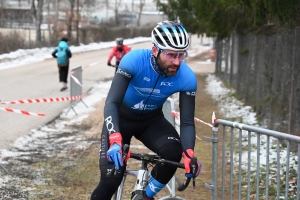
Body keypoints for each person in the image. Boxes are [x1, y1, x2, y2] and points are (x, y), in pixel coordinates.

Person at [91, 21, 202, 200]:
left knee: (173, 153)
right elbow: (111, 102)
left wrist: (189, 153)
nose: (177, 61)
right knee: (111, 180)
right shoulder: (133, 61)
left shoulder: (187, 78)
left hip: (151, 122)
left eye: (181, 55)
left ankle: (144, 197)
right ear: (155, 50)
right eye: (171, 55)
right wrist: (115, 137)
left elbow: (188, 122)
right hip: (121, 120)